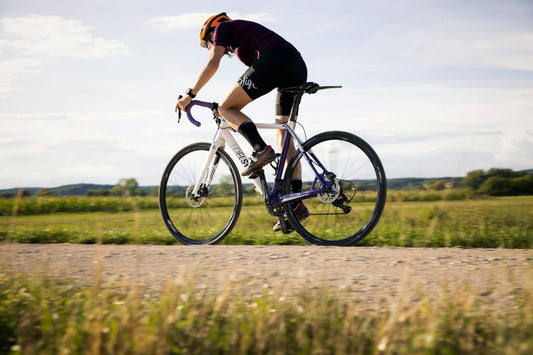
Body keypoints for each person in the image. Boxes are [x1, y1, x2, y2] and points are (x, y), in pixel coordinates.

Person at [175, 12, 309, 232]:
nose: (210, 47)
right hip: (295, 64)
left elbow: (213, 63)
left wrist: (190, 94)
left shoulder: (222, 29)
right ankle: (295, 204)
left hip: (275, 59)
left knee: (226, 108)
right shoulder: (241, 35)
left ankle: (260, 150)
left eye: (207, 44)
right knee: (284, 138)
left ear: (211, 31)